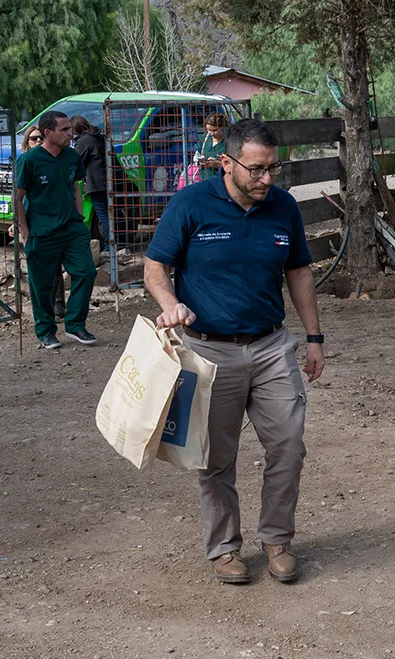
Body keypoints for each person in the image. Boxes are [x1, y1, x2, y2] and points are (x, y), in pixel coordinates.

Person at [144, 118, 325, 585]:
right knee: (215, 457)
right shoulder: (190, 204)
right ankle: (225, 548)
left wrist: (313, 337)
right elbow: (154, 265)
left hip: (270, 346)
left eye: (272, 169)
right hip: (208, 352)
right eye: (256, 170)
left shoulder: (283, 207)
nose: (266, 179)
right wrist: (170, 305)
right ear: (226, 163)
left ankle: (278, 539)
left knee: (288, 445)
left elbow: (300, 272)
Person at [15, 110, 98, 349]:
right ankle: (45, 331)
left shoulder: (71, 156)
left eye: (70, 129)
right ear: (48, 133)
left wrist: (80, 219)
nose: (70, 134)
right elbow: (17, 198)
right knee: (42, 285)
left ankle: (75, 325)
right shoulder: (29, 160)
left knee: (86, 272)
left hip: (71, 229)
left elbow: (76, 188)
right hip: (41, 232)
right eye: (64, 130)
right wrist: (25, 231)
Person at [70, 116, 110, 252]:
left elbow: (74, 161)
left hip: (96, 183)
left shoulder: (84, 141)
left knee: (103, 215)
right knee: (109, 215)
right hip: (107, 180)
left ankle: (110, 248)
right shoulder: (99, 136)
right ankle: (117, 243)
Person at [198, 112, 229, 179]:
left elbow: (234, 165)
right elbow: (196, 156)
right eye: (208, 130)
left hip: (221, 181)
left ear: (222, 127)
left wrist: (218, 164)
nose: (211, 133)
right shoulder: (204, 139)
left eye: (214, 130)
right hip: (204, 180)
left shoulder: (229, 142)